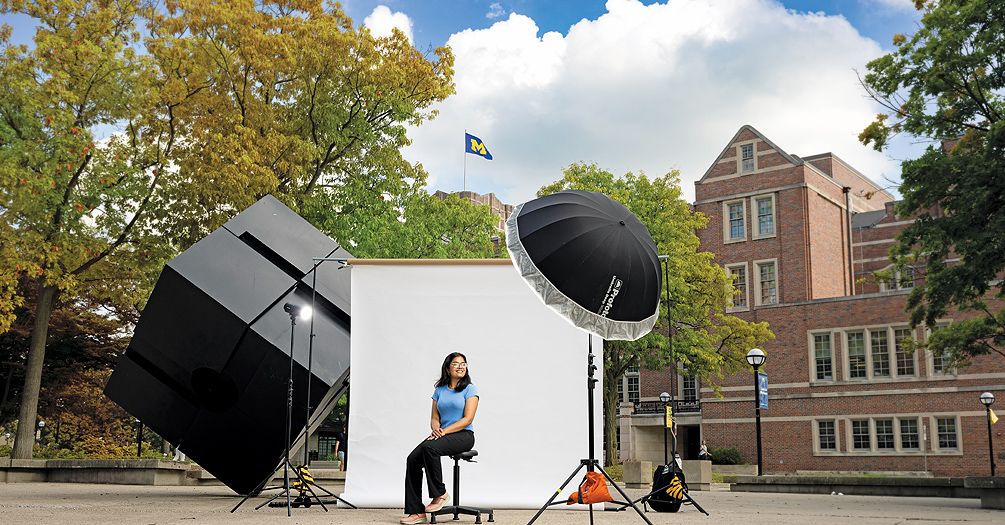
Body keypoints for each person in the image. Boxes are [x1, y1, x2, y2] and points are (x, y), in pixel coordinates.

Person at [400, 352, 479, 525]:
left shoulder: (470, 389)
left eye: (463, 364)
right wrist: (437, 430)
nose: (460, 367)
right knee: (413, 458)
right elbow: (434, 418)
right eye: (456, 363)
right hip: (442, 434)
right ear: (447, 368)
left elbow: (468, 419)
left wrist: (444, 431)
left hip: (464, 435)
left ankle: (440, 494)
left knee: (430, 448)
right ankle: (416, 512)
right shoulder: (439, 390)